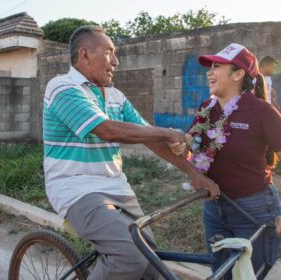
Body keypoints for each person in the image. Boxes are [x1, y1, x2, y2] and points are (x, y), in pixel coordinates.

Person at [43, 25, 219, 280]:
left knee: (152, 264)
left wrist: (193, 173)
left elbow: (148, 136)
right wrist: (169, 133)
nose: (116, 61)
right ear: (84, 54)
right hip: (77, 190)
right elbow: (107, 130)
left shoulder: (116, 96)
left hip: (117, 189)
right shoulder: (62, 87)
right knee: (129, 256)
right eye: (109, 52)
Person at [177, 43, 281, 278]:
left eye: (217, 67)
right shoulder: (207, 107)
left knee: (253, 274)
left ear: (238, 75)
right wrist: (177, 143)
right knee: (221, 272)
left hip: (253, 210)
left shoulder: (261, 111)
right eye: (210, 67)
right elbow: (189, 140)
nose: (209, 72)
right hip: (214, 209)